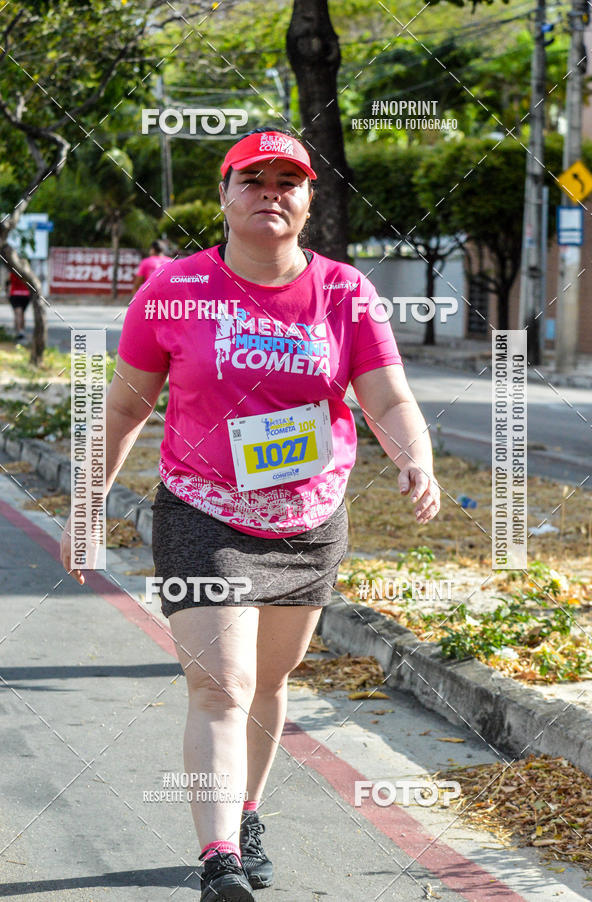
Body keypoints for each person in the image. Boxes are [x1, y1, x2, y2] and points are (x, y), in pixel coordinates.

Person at [60, 126, 441, 901]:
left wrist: (414, 454)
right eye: (254, 181)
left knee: (270, 681)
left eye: (288, 183)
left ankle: (247, 809)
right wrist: (85, 504)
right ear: (226, 195)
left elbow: (386, 395)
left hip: (309, 520)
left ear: (307, 202)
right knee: (223, 686)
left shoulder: (344, 291)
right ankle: (219, 859)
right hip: (203, 512)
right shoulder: (172, 289)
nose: (271, 195)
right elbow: (126, 405)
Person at [6, 269, 31, 341]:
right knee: (22, 314)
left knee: (17, 314)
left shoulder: (13, 273)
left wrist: (8, 294)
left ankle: (18, 331)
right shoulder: (27, 273)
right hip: (25, 295)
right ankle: (22, 331)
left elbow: (9, 283)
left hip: (15, 294)